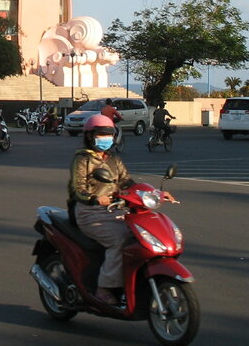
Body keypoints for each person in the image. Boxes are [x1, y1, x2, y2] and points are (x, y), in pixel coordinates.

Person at [68, 114, 175, 307]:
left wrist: (156, 193)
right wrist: (94, 198)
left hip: (115, 210)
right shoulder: (82, 159)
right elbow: (78, 189)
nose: (106, 138)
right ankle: (104, 288)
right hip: (90, 212)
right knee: (120, 240)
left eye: (109, 134)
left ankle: (133, 281)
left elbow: (128, 183)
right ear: (90, 136)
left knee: (140, 238)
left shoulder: (113, 159)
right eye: (101, 134)